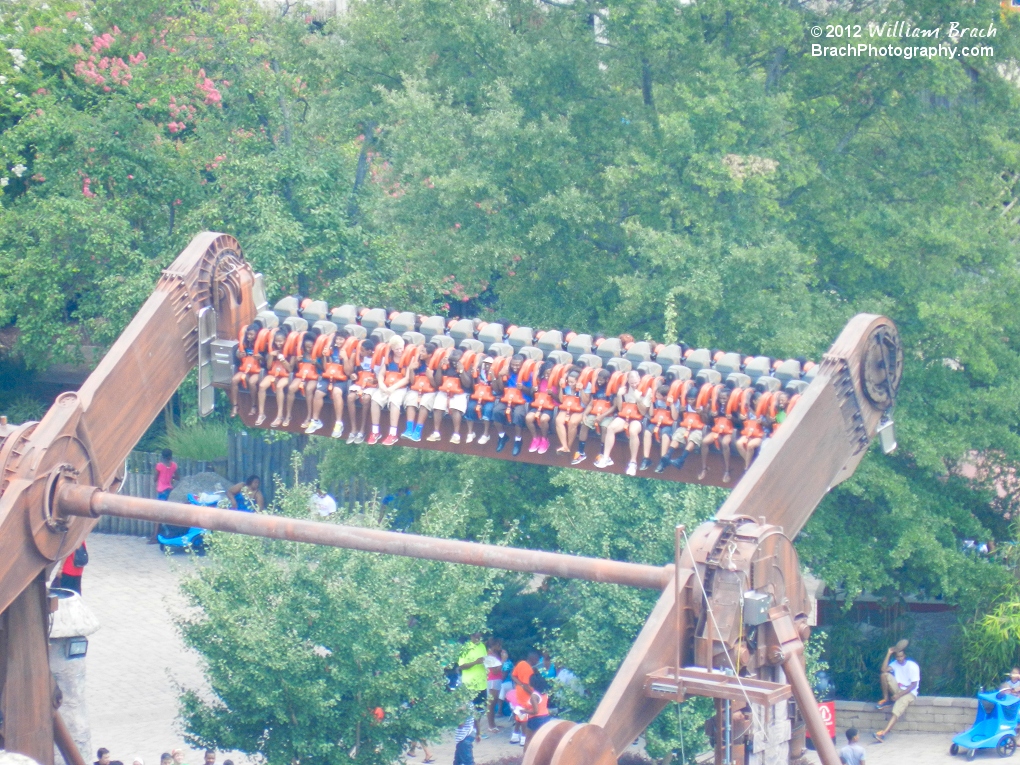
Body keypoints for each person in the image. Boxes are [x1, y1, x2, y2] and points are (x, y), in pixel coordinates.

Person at [594, 370, 649, 476]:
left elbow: (643, 411)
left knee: (633, 431)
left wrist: (638, 398)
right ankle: (606, 457)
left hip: (638, 417)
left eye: (635, 382)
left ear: (639, 380)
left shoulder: (646, 390)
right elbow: (619, 408)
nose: (634, 385)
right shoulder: (625, 389)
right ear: (628, 381)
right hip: (624, 414)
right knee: (610, 428)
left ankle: (633, 462)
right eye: (631, 383)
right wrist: (619, 395)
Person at [873, 643, 919, 742]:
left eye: (901, 656)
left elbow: (913, 685)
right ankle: (886, 699)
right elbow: (883, 669)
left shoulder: (912, 666)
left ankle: (883, 734)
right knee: (884, 675)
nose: (899, 659)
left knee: (896, 710)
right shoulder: (895, 663)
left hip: (910, 693)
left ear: (905, 656)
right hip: (898, 689)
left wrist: (898, 695)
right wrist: (888, 653)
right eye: (897, 657)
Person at [401, 342, 439, 443]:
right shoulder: (418, 363)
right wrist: (412, 370)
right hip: (416, 388)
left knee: (425, 403)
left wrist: (430, 377)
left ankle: (417, 431)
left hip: (430, 391)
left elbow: (436, 385)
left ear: (430, 355)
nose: (420, 353)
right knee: (410, 400)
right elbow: (412, 382)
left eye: (423, 352)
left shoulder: (435, 365)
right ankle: (409, 429)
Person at [458, 632, 488, 739]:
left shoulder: (482, 646)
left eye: (480, 637)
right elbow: (461, 665)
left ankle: (476, 730)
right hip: (469, 684)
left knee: (480, 709)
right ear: (471, 636)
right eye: (476, 637)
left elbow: (485, 661)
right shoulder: (465, 648)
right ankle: (468, 730)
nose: (478, 639)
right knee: (468, 708)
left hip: (482, 683)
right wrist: (475, 662)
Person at [230, 321, 263, 417]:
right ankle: (235, 405)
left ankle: (254, 405)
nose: (249, 336)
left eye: (252, 335)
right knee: (234, 380)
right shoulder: (245, 343)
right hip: (245, 367)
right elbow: (237, 354)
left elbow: (266, 360)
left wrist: (260, 357)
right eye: (248, 334)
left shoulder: (261, 344)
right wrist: (239, 354)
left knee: (252, 382)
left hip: (257, 370)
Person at [150, 448, 177, 543]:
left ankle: (154, 537)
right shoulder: (174, 465)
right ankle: (161, 535)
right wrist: (171, 476)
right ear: (171, 456)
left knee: (158, 514)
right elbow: (177, 477)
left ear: (162, 456)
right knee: (165, 513)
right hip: (169, 489)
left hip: (161, 491)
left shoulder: (159, 466)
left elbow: (155, 478)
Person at [524, 672, 552, 749]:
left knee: (529, 740)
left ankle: (526, 758)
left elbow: (535, 711)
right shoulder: (544, 693)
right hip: (545, 717)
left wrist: (524, 711)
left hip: (535, 719)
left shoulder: (534, 696)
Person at [485, 638, 504, 733]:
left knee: (495, 701)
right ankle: (490, 725)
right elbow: (494, 671)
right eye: (499, 645)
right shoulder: (489, 655)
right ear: (494, 645)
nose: (500, 647)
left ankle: (494, 723)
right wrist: (503, 661)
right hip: (492, 679)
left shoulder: (496, 654)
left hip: (497, 679)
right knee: (491, 703)